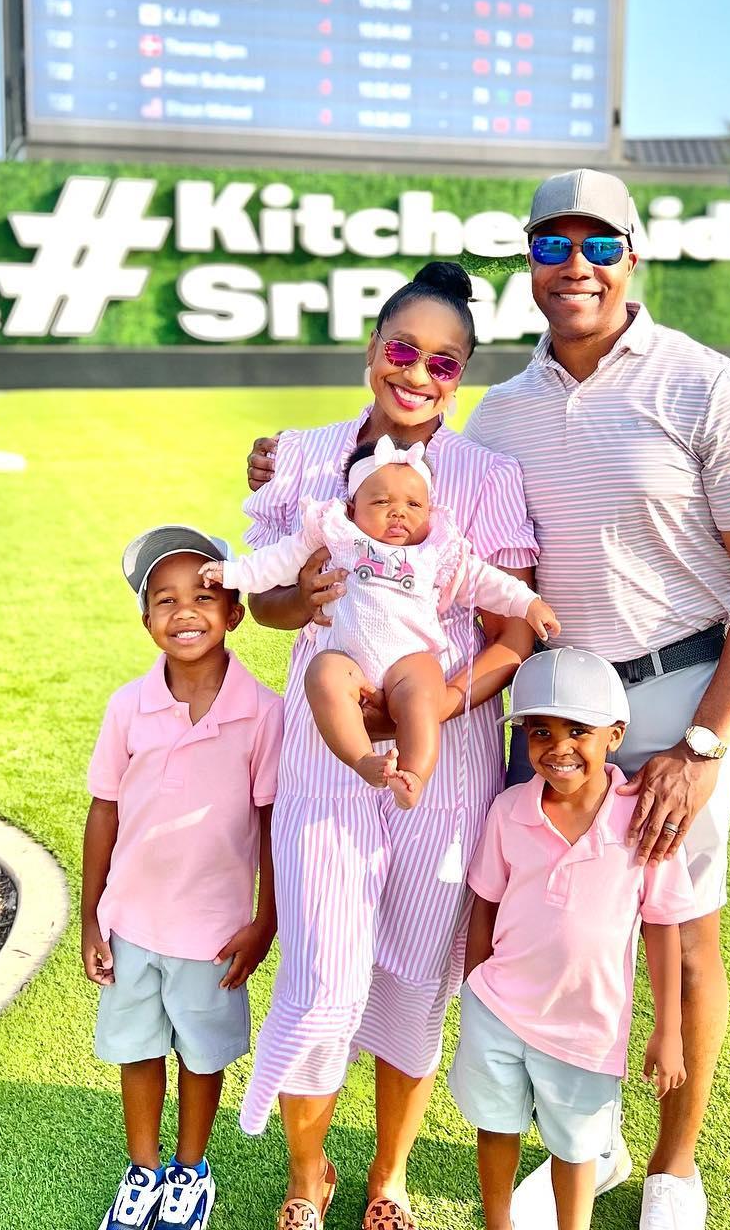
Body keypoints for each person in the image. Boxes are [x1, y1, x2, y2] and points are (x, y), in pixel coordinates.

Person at [463, 169, 730, 1230]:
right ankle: (593, 1140)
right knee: (561, 932)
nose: (577, 266)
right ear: (529, 263)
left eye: (600, 244)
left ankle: (675, 1166)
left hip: (677, 703)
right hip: (551, 715)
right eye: (554, 245)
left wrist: (705, 741)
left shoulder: (707, 387)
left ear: (634, 256)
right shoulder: (500, 412)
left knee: (682, 934)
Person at [237, 262, 539, 1230]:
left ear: (461, 380)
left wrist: (444, 703)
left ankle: (390, 1176)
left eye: (441, 363)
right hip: (327, 755)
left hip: (442, 763)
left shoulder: (486, 478)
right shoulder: (305, 457)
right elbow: (263, 602)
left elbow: (514, 628)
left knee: (413, 977)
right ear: (372, 351)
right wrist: (309, 599)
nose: (416, 375)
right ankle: (307, 1171)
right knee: (325, 971)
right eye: (401, 350)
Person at [451, 649, 695, 1230]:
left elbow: (662, 928)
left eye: (577, 730)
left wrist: (668, 1031)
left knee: (576, 1148)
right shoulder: (509, 810)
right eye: (540, 731)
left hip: (588, 1028)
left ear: (614, 736)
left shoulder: (644, 820)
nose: (557, 747)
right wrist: (473, 986)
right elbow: (484, 905)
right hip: (499, 1010)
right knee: (497, 1124)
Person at [81, 524, 282, 1230]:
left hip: (214, 933)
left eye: (204, 595)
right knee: (136, 1051)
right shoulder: (125, 707)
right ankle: (142, 1172)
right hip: (132, 921)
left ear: (235, 611)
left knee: (202, 1057)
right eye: (163, 600)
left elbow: (269, 830)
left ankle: (190, 1173)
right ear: (146, 621)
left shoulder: (265, 714)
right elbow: (103, 811)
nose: (184, 611)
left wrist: (266, 921)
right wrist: (89, 918)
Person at [204, 435, 557, 809]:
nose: (398, 512)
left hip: (409, 658)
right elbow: (274, 562)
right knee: (322, 673)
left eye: (413, 504)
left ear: (430, 510)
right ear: (353, 507)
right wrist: (228, 574)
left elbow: (487, 582)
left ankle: (414, 776)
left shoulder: (436, 549)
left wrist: (528, 603)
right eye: (381, 502)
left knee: (425, 690)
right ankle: (363, 759)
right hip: (347, 659)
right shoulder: (335, 532)